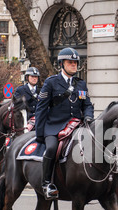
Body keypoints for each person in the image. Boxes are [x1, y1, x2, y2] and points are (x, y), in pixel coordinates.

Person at [35, 47, 94, 199]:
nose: (74, 65)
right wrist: (40, 134)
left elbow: (87, 104)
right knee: (52, 148)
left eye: (75, 62)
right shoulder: (51, 83)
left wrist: (88, 117)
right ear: (61, 64)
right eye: (70, 62)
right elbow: (41, 109)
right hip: (54, 127)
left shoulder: (81, 84)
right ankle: (46, 183)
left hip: (76, 125)